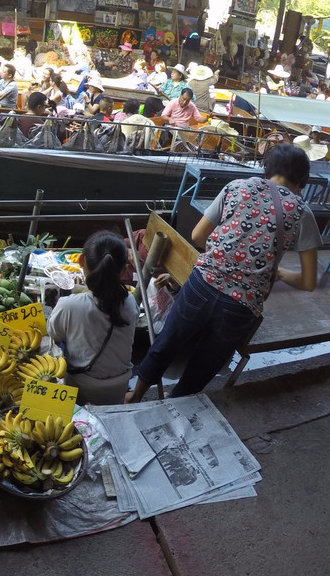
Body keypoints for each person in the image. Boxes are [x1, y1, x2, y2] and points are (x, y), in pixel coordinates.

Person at [126, 143, 320, 402]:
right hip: (241, 306)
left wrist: (223, 254)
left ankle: (134, 395)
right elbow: (308, 282)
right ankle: (174, 407)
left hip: (202, 284)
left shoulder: (237, 187)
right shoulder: (302, 213)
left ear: (268, 169)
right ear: (301, 180)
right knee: (204, 365)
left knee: (167, 342)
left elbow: (197, 235)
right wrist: (281, 273)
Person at [48, 232, 138, 404]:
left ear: (81, 261)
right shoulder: (130, 301)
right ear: (124, 270)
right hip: (118, 387)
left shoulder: (68, 305)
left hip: (82, 387)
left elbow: (54, 335)